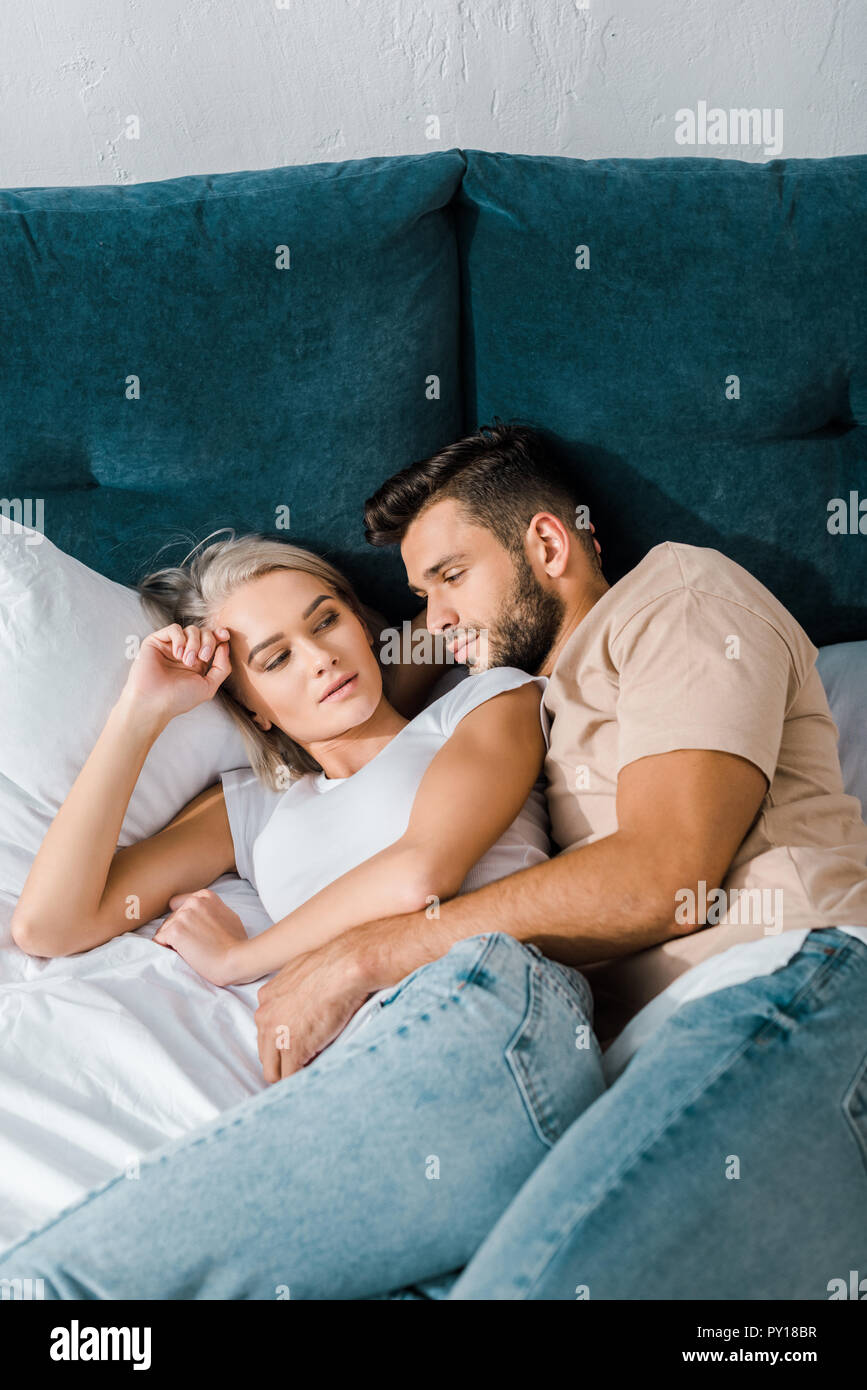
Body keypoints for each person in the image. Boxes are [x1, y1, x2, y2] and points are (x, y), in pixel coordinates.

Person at [1, 532, 605, 1299]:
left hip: (485, 997)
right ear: (246, 700)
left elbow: (421, 872)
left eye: (325, 621)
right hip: (360, 1075)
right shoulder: (252, 807)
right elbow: (49, 926)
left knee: (60, 1286)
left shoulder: (483, 701)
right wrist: (141, 711)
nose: (319, 657)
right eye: (275, 657)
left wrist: (242, 959)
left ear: (358, 622)